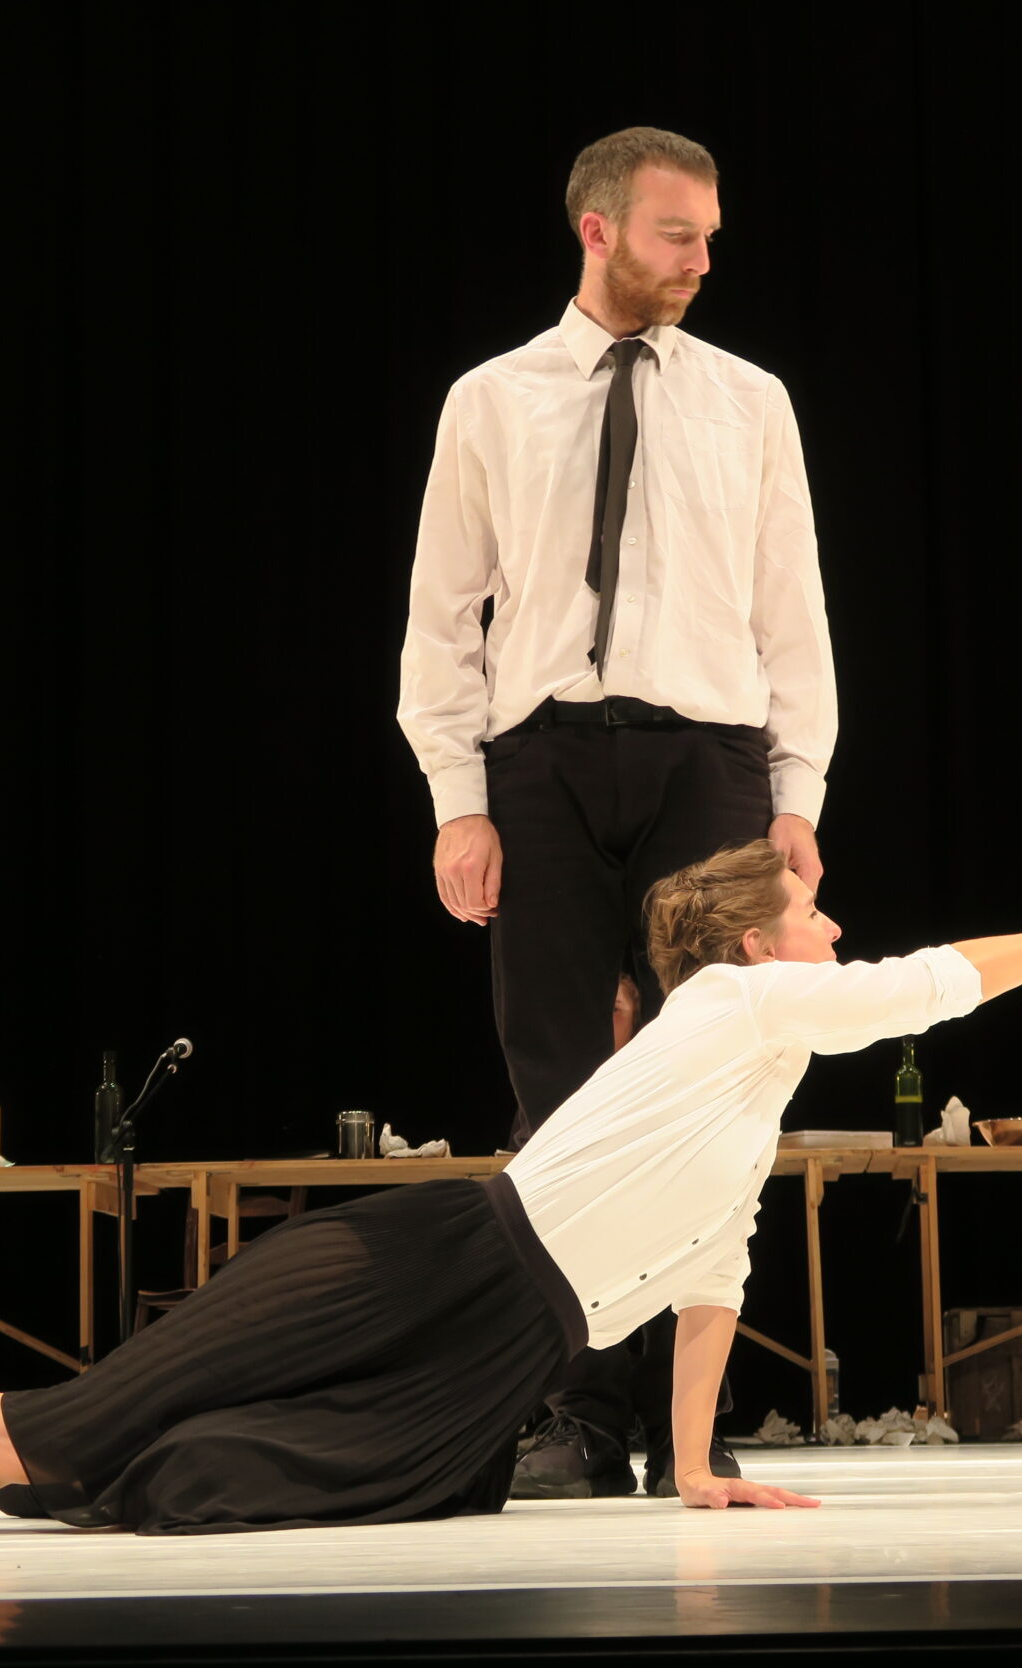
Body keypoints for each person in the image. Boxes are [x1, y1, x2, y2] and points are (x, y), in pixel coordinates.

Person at [0, 848, 1022, 1539]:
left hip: (499, 1363)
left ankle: (106, 1466)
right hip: (440, 1256)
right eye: (820, 915)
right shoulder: (733, 1007)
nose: (840, 930)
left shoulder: (745, 1096)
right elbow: (930, 984)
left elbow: (718, 1280)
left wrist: (698, 1470)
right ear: (763, 944)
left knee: (187, 1484)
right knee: (88, 1421)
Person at [397, 125, 838, 1497]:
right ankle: (582, 1413)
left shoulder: (751, 399)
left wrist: (795, 791)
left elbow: (793, 614)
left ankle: (694, 1415)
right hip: (540, 761)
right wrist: (457, 798)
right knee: (560, 1089)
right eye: (677, 233)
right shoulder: (492, 398)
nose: (705, 257)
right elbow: (441, 615)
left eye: (709, 233)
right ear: (595, 230)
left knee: (713, 1073)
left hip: (708, 758)